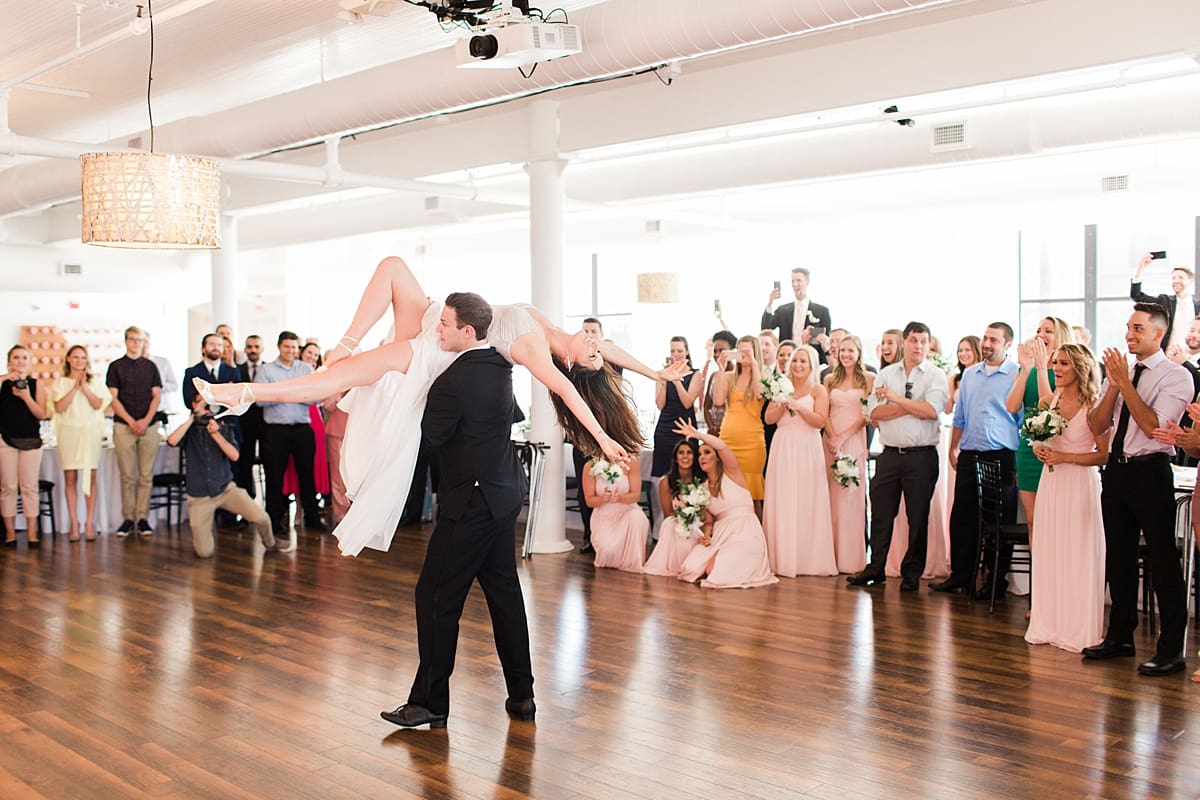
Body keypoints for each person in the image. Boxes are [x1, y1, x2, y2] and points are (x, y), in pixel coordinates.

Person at [197, 256, 671, 556]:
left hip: (434, 347)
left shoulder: (536, 350)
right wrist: (656, 373)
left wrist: (605, 440)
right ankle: (343, 343)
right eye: (596, 346)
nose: (597, 346)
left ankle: (242, 394)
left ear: (572, 360)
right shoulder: (555, 329)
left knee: (337, 376)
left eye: (593, 353)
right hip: (431, 319)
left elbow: (568, 393)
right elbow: (610, 356)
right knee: (391, 266)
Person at [380, 292, 535, 729]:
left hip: (468, 505)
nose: (438, 329)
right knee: (505, 597)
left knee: (433, 597)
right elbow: (510, 415)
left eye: (445, 324)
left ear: (469, 332)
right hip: (502, 500)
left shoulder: (451, 383)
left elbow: (428, 442)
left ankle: (430, 702)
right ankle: (522, 696)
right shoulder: (502, 369)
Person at [1084, 303, 1192, 677]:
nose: (1129, 335)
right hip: (1116, 471)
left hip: (1150, 473)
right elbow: (1097, 425)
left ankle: (1171, 649)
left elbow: (1152, 426)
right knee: (1119, 557)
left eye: (1138, 329)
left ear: (1158, 334)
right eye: (1128, 328)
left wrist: (1126, 385)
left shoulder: (1176, 376)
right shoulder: (1121, 373)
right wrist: (1114, 387)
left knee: (1163, 560)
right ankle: (1120, 637)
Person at [847, 322, 948, 591]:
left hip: (921, 456)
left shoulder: (935, 375)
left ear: (929, 345)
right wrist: (910, 405)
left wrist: (895, 400)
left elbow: (931, 411)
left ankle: (912, 572)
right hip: (889, 455)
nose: (918, 346)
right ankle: (876, 567)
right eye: (913, 340)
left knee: (917, 516)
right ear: (904, 341)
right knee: (881, 513)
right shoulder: (886, 374)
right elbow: (874, 414)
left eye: (923, 341)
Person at [1024, 344, 1108, 653]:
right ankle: (1050, 623)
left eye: (1063, 364)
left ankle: (1078, 627)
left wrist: (1065, 456)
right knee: (1052, 550)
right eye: (1055, 362)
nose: (1056, 368)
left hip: (1080, 485)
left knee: (1078, 552)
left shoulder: (1094, 406)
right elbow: (1038, 440)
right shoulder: (1049, 401)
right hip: (1053, 483)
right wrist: (1040, 449)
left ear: (1080, 369)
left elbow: (1103, 455)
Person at [932, 323, 1021, 596]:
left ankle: (996, 580)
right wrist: (953, 448)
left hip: (1001, 455)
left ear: (1007, 344)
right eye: (985, 338)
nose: (986, 344)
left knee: (999, 519)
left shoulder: (1017, 375)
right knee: (962, 516)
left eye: (994, 340)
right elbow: (960, 417)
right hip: (970, 453)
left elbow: (1022, 420)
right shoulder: (970, 374)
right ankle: (961, 575)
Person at [166, 393, 287, 558]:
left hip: (226, 489)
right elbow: (172, 441)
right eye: (199, 402)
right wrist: (193, 417)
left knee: (262, 518)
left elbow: (235, 456)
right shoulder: (189, 430)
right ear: (193, 405)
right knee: (204, 553)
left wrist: (216, 434)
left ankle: (271, 544)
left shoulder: (224, 427)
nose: (205, 405)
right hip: (200, 496)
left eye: (207, 402)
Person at [671, 419, 778, 589]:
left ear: (718, 458)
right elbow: (708, 521)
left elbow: (722, 447)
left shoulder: (732, 472)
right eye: (699, 454)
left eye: (707, 452)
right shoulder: (703, 488)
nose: (701, 457)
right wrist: (705, 535)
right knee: (689, 568)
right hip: (721, 534)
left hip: (745, 532)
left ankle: (729, 563)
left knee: (714, 570)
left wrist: (698, 435)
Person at [763, 345, 835, 577]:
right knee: (784, 499)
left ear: (811, 364)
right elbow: (768, 418)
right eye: (795, 361)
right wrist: (783, 402)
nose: (798, 365)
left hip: (807, 446)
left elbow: (820, 421)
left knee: (806, 499)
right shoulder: (780, 385)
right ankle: (782, 558)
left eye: (803, 361)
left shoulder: (818, 390)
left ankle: (807, 558)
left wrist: (798, 407)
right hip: (783, 446)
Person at [1005, 317, 1072, 554]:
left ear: (1060, 336)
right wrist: (1026, 370)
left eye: (1048, 331)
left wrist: (1043, 367)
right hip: (1028, 449)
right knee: (1033, 520)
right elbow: (1012, 406)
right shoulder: (1029, 368)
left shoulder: (1066, 369)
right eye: (1038, 330)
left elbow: (1050, 407)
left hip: (1058, 450)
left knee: (1055, 521)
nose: (1041, 334)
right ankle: (1039, 579)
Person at [256, 331, 326, 538]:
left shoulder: (305, 368)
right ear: (279, 347)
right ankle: (275, 522)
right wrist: (295, 393)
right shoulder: (265, 370)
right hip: (275, 431)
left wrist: (279, 393)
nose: (291, 351)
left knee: (308, 476)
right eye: (287, 347)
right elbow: (260, 400)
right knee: (274, 477)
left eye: (294, 347)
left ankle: (312, 518)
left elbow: (315, 397)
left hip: (302, 430)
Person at [49, 345, 111, 542]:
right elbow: (58, 407)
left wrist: (83, 386)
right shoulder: (59, 383)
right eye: (75, 357)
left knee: (91, 477)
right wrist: (74, 387)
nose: (79, 361)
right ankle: (74, 524)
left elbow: (98, 404)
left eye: (83, 357)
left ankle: (89, 523)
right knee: (70, 478)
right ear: (68, 359)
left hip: (90, 432)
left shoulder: (95, 382)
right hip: (68, 432)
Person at [823, 335, 873, 574]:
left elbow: (867, 415)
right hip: (830, 442)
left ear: (859, 352)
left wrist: (843, 437)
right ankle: (830, 555)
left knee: (852, 497)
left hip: (854, 438)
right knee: (832, 497)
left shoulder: (869, 379)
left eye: (850, 350)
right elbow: (824, 412)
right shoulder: (830, 379)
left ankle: (852, 558)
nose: (845, 355)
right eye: (842, 350)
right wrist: (833, 438)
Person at [106, 325, 162, 538]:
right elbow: (114, 398)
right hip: (123, 426)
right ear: (126, 341)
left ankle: (143, 517)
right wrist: (131, 422)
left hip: (149, 426)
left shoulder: (151, 367)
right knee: (128, 475)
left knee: (146, 475)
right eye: (132, 339)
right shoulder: (115, 367)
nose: (136, 343)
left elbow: (156, 396)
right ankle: (128, 518)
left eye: (140, 340)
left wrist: (145, 421)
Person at [710, 335, 767, 513]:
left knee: (753, 493)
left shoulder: (764, 377)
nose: (742, 354)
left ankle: (755, 535)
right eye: (739, 349)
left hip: (752, 442)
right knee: (729, 489)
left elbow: (758, 394)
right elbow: (718, 401)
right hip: (729, 439)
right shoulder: (728, 377)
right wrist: (720, 369)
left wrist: (754, 364)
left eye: (746, 350)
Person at [1, 345, 50, 547]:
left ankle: (32, 533)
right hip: (5, 440)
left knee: (29, 486)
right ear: (9, 360)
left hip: (31, 440)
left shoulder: (37, 385)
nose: (20, 361)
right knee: (8, 486)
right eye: (16, 357)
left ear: (29, 362)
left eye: (24, 357)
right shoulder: (2, 382)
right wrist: (6, 378)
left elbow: (42, 414)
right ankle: (10, 533)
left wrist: (26, 396)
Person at [281, 342, 331, 521]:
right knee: (295, 466)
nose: (312, 357)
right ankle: (299, 508)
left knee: (311, 466)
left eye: (316, 355)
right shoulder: (293, 372)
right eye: (309, 352)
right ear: (302, 353)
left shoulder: (318, 374)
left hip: (314, 420)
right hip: (295, 418)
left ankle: (311, 507)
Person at [644, 438, 704, 576]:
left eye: (689, 453)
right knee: (668, 524)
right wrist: (685, 517)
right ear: (676, 458)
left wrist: (694, 520)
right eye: (681, 453)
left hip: (698, 523)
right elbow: (667, 513)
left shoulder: (701, 480)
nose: (685, 456)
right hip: (676, 522)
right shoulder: (666, 481)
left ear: (694, 457)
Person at [583, 456, 648, 572]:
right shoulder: (590, 465)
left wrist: (620, 497)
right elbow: (589, 501)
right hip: (604, 515)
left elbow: (635, 495)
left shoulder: (631, 463)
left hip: (627, 512)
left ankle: (632, 561)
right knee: (607, 552)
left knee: (637, 517)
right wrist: (603, 498)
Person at [651, 336, 702, 479]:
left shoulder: (695, 374)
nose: (676, 354)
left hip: (686, 427)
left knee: (688, 472)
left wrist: (676, 379)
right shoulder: (662, 373)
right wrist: (664, 378)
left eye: (679, 350)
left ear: (686, 352)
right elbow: (660, 404)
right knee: (664, 474)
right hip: (665, 428)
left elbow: (687, 402)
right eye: (672, 350)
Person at [761, 267, 833, 363]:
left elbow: (825, 338)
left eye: (799, 280)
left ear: (807, 282)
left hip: (812, 359)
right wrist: (770, 302)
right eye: (793, 281)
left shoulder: (821, 311)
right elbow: (766, 328)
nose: (795, 284)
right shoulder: (783, 310)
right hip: (787, 359)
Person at [1130, 252, 1198, 351]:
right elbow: (1137, 296)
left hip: (1193, 359)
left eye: (1180, 277)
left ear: (1190, 280)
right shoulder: (1165, 301)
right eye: (1173, 278)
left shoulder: (1198, 306)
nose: (1176, 281)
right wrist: (1141, 267)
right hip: (1169, 357)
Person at [235, 335, 266, 500]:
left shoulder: (269, 369)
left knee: (269, 463)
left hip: (266, 423)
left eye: (256, 346)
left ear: (262, 348)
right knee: (244, 464)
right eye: (249, 347)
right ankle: (247, 501)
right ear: (245, 349)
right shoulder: (237, 369)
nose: (253, 350)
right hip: (244, 424)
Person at [182, 333, 240, 409]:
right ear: (203, 349)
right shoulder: (191, 372)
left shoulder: (233, 372)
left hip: (229, 419)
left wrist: (202, 395)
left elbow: (237, 401)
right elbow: (189, 402)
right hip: (202, 419)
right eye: (211, 344)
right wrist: (224, 390)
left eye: (219, 345)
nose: (216, 348)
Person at [701, 330, 737, 436]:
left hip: (733, 431)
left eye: (722, 351)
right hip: (715, 432)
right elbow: (707, 406)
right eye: (715, 351)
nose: (717, 355)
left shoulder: (738, 376)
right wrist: (711, 427)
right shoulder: (714, 376)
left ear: (732, 351)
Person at [946, 336, 982, 415]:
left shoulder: (986, 377)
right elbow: (948, 410)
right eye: (960, 350)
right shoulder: (954, 379)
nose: (962, 354)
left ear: (978, 351)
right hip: (961, 425)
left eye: (967, 350)